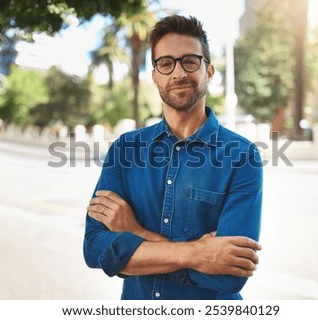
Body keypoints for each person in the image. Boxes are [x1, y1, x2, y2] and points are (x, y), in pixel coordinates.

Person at [83, 15, 263, 300]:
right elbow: (95, 248)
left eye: (190, 61)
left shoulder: (242, 156)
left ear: (209, 71)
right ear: (155, 76)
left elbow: (229, 274)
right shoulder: (124, 150)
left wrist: (134, 232)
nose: (178, 73)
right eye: (166, 63)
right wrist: (198, 254)